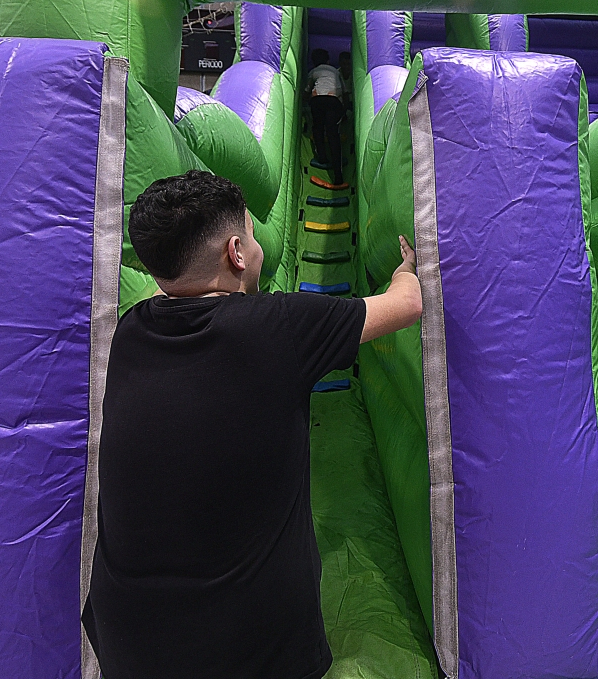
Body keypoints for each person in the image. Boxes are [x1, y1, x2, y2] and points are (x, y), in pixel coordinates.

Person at [82, 170, 421, 679]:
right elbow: (407, 305)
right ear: (236, 253)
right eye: (253, 233)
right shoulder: (277, 326)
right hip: (250, 654)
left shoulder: (130, 333)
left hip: (127, 646)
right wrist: (406, 269)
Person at [305, 49, 345, 185]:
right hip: (333, 100)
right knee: (333, 133)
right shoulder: (335, 71)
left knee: (318, 127)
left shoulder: (313, 71)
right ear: (328, 61)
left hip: (317, 101)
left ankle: (322, 156)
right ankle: (338, 174)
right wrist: (344, 110)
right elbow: (344, 92)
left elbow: (307, 90)